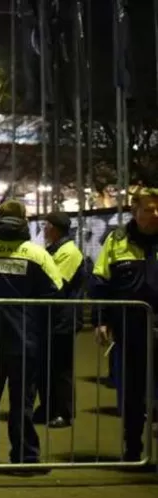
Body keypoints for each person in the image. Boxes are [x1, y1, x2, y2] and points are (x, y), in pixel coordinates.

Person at [0, 200, 62, 467]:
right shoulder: (37, 254)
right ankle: (24, 455)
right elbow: (55, 292)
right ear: (24, 220)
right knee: (23, 402)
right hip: (25, 340)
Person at [90, 184, 158, 462]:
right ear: (134, 210)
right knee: (131, 393)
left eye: (157, 208)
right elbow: (99, 283)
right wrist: (101, 320)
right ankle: (133, 449)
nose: (155, 214)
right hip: (130, 331)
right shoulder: (116, 242)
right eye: (148, 209)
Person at [35, 211, 84, 428]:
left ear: (55, 228)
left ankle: (64, 412)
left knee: (61, 367)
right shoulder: (55, 250)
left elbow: (56, 283)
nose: (43, 229)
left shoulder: (69, 252)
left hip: (63, 317)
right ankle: (47, 407)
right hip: (51, 317)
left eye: (46, 225)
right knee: (45, 366)